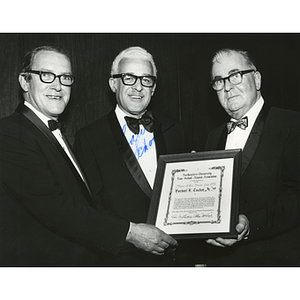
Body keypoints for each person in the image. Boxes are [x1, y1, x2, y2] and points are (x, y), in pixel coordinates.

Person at [0, 45, 178, 266]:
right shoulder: (9, 133)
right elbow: (56, 208)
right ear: (25, 81)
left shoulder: (51, 133)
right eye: (47, 76)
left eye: (65, 78)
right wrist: (131, 232)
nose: (58, 86)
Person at [74, 46, 190, 266]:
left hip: (175, 260)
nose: (138, 87)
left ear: (153, 88)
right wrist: (133, 235)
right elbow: (90, 208)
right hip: (121, 262)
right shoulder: (89, 137)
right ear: (113, 83)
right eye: (129, 78)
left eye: (146, 80)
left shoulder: (176, 130)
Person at [199, 48, 300, 266]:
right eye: (218, 81)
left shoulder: (292, 124)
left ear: (256, 79)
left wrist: (250, 224)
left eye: (235, 75)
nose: (227, 87)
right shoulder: (213, 137)